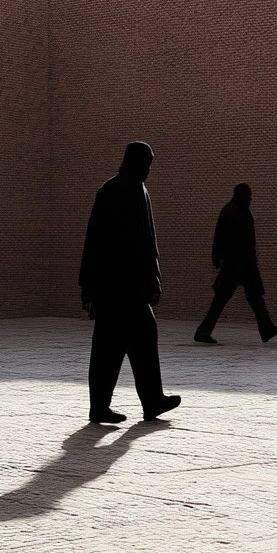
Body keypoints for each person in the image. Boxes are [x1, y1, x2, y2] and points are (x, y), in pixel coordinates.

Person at [79, 142, 182, 424]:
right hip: (116, 288)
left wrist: (154, 277)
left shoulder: (138, 190)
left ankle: (147, 401)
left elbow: (149, 241)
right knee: (111, 347)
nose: (149, 170)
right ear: (134, 162)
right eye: (146, 164)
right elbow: (95, 241)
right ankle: (125, 403)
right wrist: (88, 286)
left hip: (131, 287)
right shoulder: (113, 191)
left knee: (133, 341)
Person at [194, 183, 277, 344]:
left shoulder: (234, 211)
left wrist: (217, 256)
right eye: (248, 196)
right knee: (243, 299)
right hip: (238, 265)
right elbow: (224, 237)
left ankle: (266, 328)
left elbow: (220, 236)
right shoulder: (234, 212)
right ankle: (266, 328)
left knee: (245, 299)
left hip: (238, 265)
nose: (250, 199)